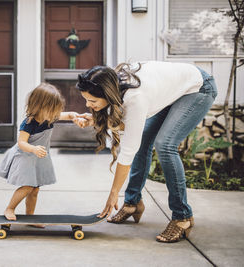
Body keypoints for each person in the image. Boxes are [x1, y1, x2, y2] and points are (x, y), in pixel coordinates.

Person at [74, 61, 217, 242]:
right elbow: (129, 125)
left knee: (165, 145)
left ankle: (182, 216)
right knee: (143, 142)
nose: (87, 105)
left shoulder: (136, 98)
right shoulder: (114, 84)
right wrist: (97, 120)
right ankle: (132, 203)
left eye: (92, 101)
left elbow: (128, 150)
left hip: (197, 87)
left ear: (107, 94)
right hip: (173, 90)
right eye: (86, 99)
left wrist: (113, 194)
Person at [0, 82, 82, 222]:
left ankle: (30, 217)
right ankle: (10, 208)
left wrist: (76, 117)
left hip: (37, 157)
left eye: (56, 110)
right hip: (25, 156)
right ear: (39, 107)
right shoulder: (29, 123)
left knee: (35, 189)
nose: (55, 114)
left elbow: (68, 115)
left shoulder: (50, 116)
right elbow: (21, 142)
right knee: (27, 186)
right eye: (51, 109)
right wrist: (33, 148)